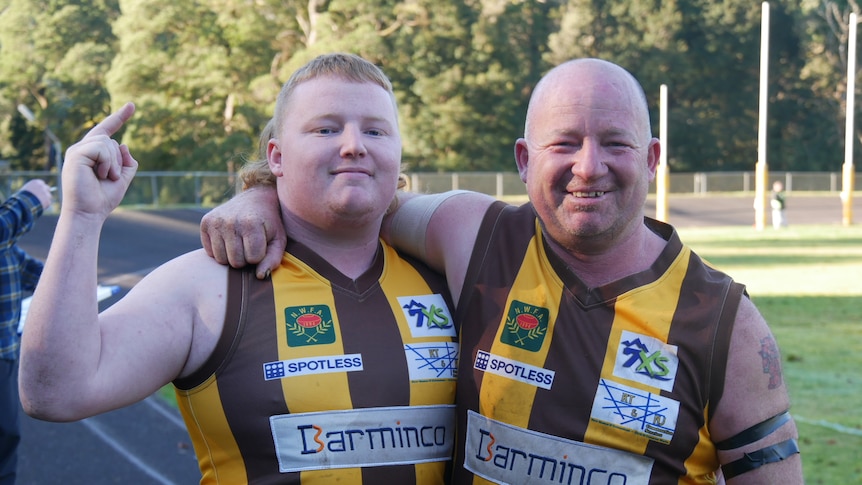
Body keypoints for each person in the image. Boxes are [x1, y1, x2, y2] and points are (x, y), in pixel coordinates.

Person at [201, 58, 804, 483]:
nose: (588, 167)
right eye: (563, 143)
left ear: (651, 160)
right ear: (523, 159)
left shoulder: (727, 322)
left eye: (615, 144)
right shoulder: (475, 235)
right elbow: (353, 197)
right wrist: (257, 194)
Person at [18, 53, 459, 484]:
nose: (353, 145)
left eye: (376, 131)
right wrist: (82, 216)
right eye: (326, 128)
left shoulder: (451, 273)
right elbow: (56, 392)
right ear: (277, 157)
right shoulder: (206, 285)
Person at [0, 178, 53, 485]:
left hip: (4, 357)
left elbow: (44, 276)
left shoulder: (6, 249)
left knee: (5, 441)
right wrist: (28, 200)